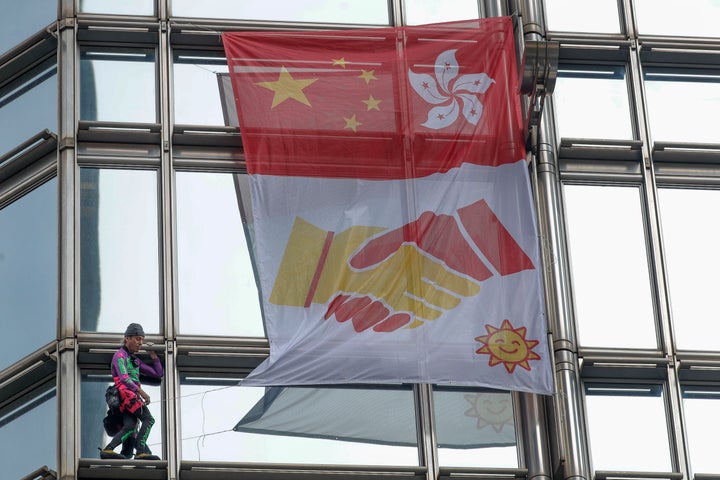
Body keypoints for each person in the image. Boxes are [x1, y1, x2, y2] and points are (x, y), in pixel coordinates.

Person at [100, 323, 164, 460]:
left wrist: (154, 357)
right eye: (138, 338)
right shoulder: (119, 356)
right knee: (148, 419)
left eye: (142, 339)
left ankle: (108, 450)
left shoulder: (135, 360)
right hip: (127, 395)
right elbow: (124, 378)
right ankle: (141, 450)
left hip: (129, 397)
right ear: (127, 338)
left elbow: (158, 373)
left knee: (130, 426)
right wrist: (142, 392)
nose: (140, 343)